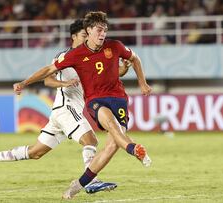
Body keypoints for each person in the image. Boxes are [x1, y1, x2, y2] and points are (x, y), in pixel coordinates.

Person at [0, 19, 131, 194]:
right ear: (74, 36)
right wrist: (62, 83)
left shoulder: (89, 56)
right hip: (66, 108)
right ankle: (91, 181)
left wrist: (124, 69)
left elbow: (111, 74)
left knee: (36, 152)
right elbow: (48, 79)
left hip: (62, 113)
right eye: (84, 35)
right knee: (91, 140)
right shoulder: (65, 56)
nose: (88, 38)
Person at [11, 11, 152, 199]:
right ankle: (134, 149)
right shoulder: (76, 55)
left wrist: (142, 82)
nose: (103, 34)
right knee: (112, 125)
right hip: (96, 101)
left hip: (119, 98)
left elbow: (135, 58)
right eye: (99, 30)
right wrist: (24, 83)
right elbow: (49, 70)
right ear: (89, 30)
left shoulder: (115, 46)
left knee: (111, 146)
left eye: (105, 30)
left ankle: (78, 185)